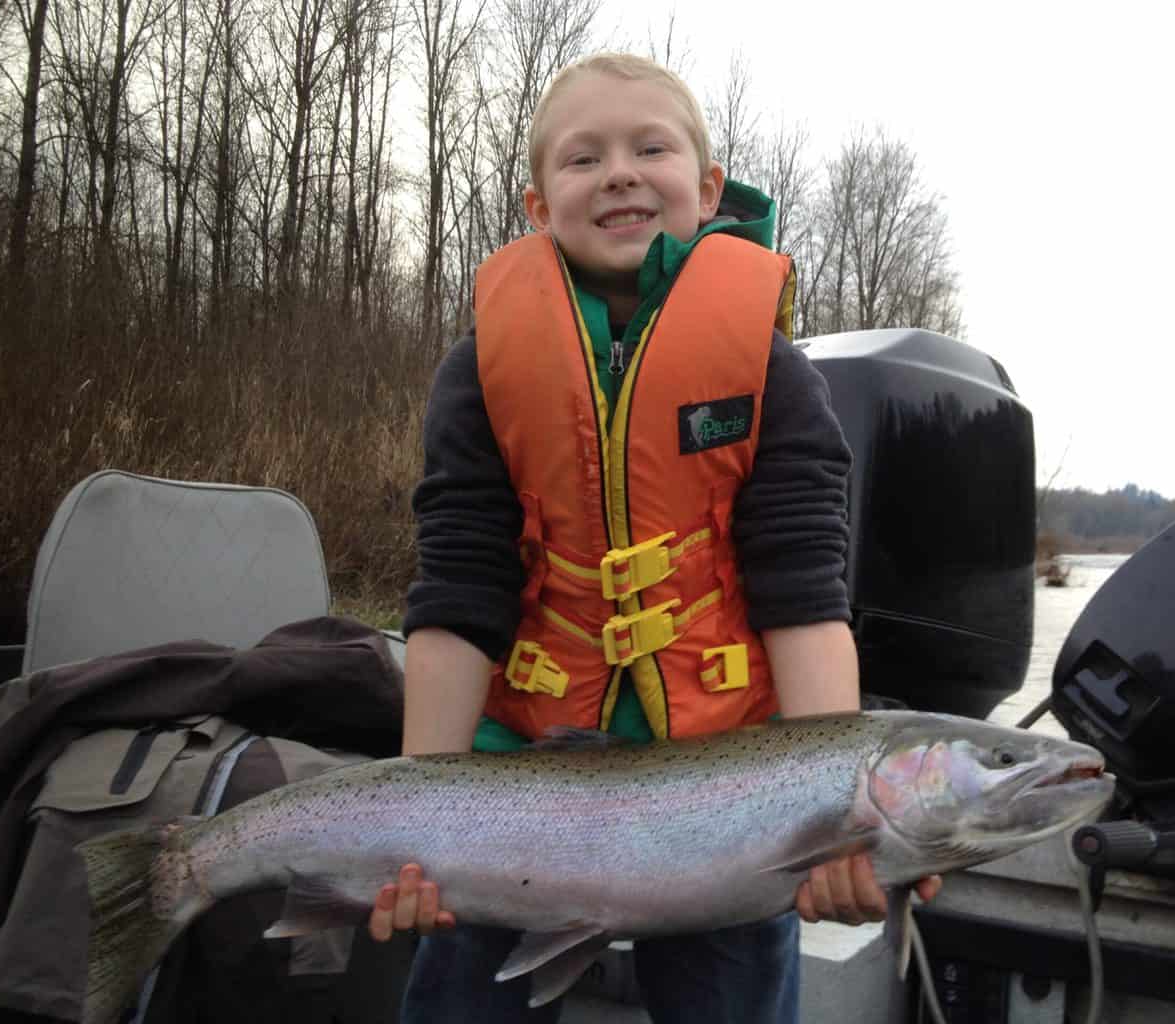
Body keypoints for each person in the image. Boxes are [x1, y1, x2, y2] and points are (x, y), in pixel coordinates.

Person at [368, 51, 940, 1022]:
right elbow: (458, 591)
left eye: (650, 148)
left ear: (707, 187)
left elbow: (803, 597)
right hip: (522, 764)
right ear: (538, 205)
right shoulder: (481, 372)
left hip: (732, 788)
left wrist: (836, 817)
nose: (621, 172)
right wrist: (420, 816)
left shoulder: (776, 374)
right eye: (584, 159)